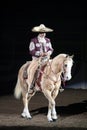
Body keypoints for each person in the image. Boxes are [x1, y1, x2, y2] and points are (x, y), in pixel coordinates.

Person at [28, 24, 64, 92]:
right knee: (36, 69)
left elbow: (51, 49)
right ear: (39, 33)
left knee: (56, 66)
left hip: (46, 58)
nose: (43, 34)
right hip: (37, 59)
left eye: (44, 32)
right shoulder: (34, 40)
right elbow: (31, 51)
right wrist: (40, 54)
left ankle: (59, 84)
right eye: (42, 32)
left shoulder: (47, 40)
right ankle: (32, 85)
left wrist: (48, 53)